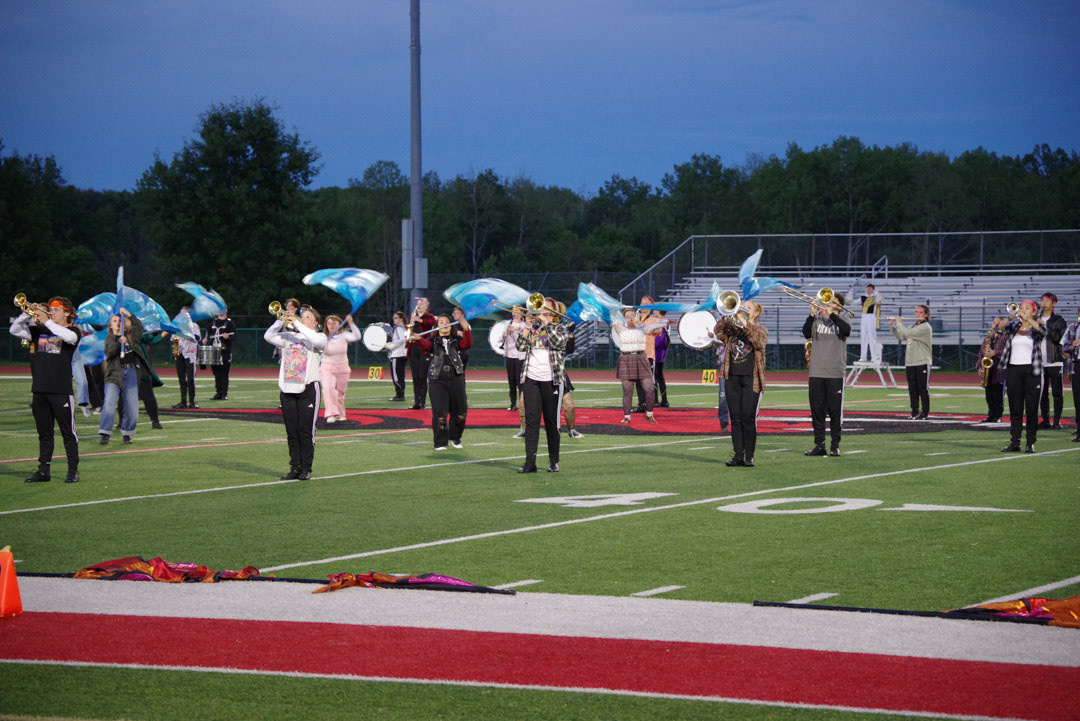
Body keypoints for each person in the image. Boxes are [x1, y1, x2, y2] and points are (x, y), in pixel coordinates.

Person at [9, 297, 81, 483]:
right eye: (51, 309)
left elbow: (70, 338)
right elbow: (14, 330)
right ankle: (43, 471)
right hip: (40, 389)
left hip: (60, 390)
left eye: (56, 309)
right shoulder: (39, 331)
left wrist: (46, 320)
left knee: (68, 433)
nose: (52, 311)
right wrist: (26, 314)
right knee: (44, 434)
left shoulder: (72, 331)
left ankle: (72, 470)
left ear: (67, 313)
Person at [264, 305, 327, 480]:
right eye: (302, 316)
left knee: (305, 431)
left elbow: (317, 341)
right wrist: (281, 320)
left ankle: (306, 468)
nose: (302, 319)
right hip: (288, 389)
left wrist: (297, 323)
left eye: (307, 317)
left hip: (308, 389)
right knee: (292, 432)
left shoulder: (319, 337)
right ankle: (295, 467)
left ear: (316, 323)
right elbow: (268, 336)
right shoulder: (290, 337)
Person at [515, 298, 568, 473]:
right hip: (531, 378)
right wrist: (527, 326)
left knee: (551, 422)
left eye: (546, 308)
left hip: (551, 379)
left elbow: (558, 343)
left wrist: (546, 325)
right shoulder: (533, 327)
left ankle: (554, 461)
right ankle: (530, 463)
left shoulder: (560, 328)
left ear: (553, 312)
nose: (541, 311)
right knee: (531, 421)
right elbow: (520, 347)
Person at [714, 300, 767, 467]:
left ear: (756, 313)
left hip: (751, 379)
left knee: (748, 418)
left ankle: (749, 456)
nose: (743, 309)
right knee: (735, 419)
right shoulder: (733, 331)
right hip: (732, 378)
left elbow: (758, 342)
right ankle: (738, 455)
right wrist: (727, 316)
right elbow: (718, 331)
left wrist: (743, 321)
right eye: (742, 306)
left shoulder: (761, 330)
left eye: (748, 308)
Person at [802, 293, 850, 456]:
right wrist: (811, 314)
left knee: (835, 411)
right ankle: (819, 445)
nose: (827, 304)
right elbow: (806, 333)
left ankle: (835, 445)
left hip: (835, 372)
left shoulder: (844, 319)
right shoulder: (817, 321)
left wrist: (831, 315)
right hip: (816, 371)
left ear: (839, 306)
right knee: (817, 410)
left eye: (832, 302)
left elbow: (846, 331)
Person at [418, 312, 472, 450]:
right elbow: (425, 346)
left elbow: (467, 344)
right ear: (437, 327)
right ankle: (440, 443)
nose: (444, 324)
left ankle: (455, 437)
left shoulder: (456, 340)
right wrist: (418, 339)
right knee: (440, 414)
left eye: (447, 321)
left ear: (451, 325)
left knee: (461, 412)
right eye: (441, 322)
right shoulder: (432, 341)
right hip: (437, 379)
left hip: (456, 378)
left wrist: (466, 329)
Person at [998, 300, 1045, 453]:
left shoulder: (1036, 326)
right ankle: (1015, 442)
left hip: (1032, 370)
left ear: (1033, 312)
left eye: (1027, 308)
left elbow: (1044, 332)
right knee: (1015, 408)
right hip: (1014, 370)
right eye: (1021, 308)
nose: (1023, 310)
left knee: (1031, 408)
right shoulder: (1014, 327)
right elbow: (999, 328)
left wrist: (1028, 319)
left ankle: (1030, 442)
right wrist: (1011, 317)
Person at [98, 309, 149, 446]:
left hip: (130, 372)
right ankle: (105, 433)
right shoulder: (110, 338)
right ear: (110, 325)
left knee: (132, 408)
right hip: (114, 374)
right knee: (109, 404)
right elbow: (109, 352)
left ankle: (127, 432)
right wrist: (118, 343)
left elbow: (139, 327)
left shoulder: (131, 337)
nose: (118, 323)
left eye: (120, 321)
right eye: (115, 321)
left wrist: (128, 313)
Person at [612, 308, 663, 425]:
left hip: (641, 358)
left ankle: (649, 414)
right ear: (624, 319)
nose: (630, 318)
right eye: (628, 316)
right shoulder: (619, 328)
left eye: (632, 315)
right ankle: (627, 417)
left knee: (649, 389)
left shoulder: (643, 328)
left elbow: (659, 326)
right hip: (626, 359)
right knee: (627, 391)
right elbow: (610, 315)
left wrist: (639, 323)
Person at [889, 305, 934, 419]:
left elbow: (908, 333)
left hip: (922, 361)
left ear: (926, 315)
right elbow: (901, 336)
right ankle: (914, 412)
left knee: (922, 389)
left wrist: (899, 324)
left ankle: (924, 413)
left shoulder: (925, 327)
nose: (918, 314)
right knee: (912, 389)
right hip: (910, 362)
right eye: (916, 312)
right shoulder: (912, 326)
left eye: (920, 312)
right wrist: (892, 326)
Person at [319, 314, 362, 423]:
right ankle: (331, 414)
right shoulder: (322, 337)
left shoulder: (344, 335)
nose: (331, 325)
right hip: (326, 368)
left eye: (334, 323)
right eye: (329, 323)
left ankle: (340, 414)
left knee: (340, 393)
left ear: (340, 324)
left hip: (342, 368)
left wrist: (351, 323)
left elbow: (357, 336)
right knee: (328, 389)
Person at [1037, 292, 1067, 430]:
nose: (1044, 303)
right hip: (1039, 361)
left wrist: (1044, 327)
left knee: (1057, 393)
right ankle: (1045, 420)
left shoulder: (1059, 320)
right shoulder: (1036, 318)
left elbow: (1058, 338)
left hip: (1054, 360)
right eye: (1042, 300)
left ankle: (1056, 421)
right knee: (1042, 393)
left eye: (1047, 300)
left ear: (1054, 303)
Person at [557, 301, 585, 439]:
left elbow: (569, 350)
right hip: (539, 372)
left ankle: (571, 430)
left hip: (558, 371)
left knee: (569, 405)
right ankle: (525, 429)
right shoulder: (539, 327)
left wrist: (571, 333)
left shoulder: (561, 328)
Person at [977, 316, 1008, 423]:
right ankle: (991, 415)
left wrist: (995, 353)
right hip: (988, 370)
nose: (995, 324)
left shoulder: (1005, 338)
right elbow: (981, 354)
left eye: (998, 323)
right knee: (989, 395)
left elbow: (1007, 352)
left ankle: (997, 416)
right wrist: (979, 367)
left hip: (999, 370)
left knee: (998, 395)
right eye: (994, 322)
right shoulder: (987, 338)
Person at [633, 297, 662, 412]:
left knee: (648, 381)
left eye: (646, 304)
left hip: (648, 354)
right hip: (636, 353)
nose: (643, 305)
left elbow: (658, 331)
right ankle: (641, 404)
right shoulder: (635, 319)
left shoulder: (654, 320)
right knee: (638, 381)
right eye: (641, 303)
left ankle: (650, 404)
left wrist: (640, 324)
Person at [407, 298, 436, 410]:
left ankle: (422, 402)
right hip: (413, 347)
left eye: (421, 304)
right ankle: (416, 402)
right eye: (417, 304)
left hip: (424, 348)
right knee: (415, 377)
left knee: (422, 376)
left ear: (426, 306)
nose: (418, 306)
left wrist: (419, 320)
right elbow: (409, 331)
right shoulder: (412, 318)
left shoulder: (429, 317)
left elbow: (431, 323)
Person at [172, 306, 201, 409]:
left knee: (191, 379)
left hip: (190, 355)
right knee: (181, 379)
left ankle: (192, 402)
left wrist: (188, 331)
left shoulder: (194, 326)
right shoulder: (177, 326)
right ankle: (183, 402)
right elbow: (174, 339)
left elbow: (197, 337)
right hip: (180, 354)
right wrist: (176, 352)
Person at [206, 308, 236, 401]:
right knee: (216, 373)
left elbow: (234, 336)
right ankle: (218, 392)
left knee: (224, 373)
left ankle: (224, 393)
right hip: (214, 350)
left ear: (226, 311)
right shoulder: (213, 322)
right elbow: (207, 332)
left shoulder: (230, 323)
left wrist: (228, 337)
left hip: (224, 351)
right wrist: (205, 338)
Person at [501, 307, 526, 411]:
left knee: (520, 381)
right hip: (509, 355)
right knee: (511, 381)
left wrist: (514, 332)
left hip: (519, 356)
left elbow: (521, 341)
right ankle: (512, 404)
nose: (514, 313)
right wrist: (503, 336)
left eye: (516, 311)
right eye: (513, 311)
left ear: (521, 313)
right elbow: (502, 339)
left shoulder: (524, 325)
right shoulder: (508, 323)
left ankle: (522, 404)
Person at [1062, 309, 1080, 442]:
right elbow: (1065, 347)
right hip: (1077, 365)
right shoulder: (1073, 327)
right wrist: (1073, 346)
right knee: (1078, 400)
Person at [387, 311, 408, 402]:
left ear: (401, 319)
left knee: (396, 376)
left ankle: (399, 395)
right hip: (403, 354)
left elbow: (401, 340)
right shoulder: (404, 328)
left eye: (396, 318)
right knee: (401, 376)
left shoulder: (398, 328)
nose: (394, 319)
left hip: (397, 355)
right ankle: (401, 395)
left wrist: (390, 346)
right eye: (393, 318)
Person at [859, 283, 882, 363]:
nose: (868, 290)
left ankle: (874, 357)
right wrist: (849, 295)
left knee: (872, 336)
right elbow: (852, 302)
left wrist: (877, 294)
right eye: (867, 288)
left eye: (870, 288)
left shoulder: (875, 298)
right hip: (864, 317)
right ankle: (863, 357)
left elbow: (880, 301)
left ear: (873, 289)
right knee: (863, 336)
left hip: (871, 316)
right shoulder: (863, 297)